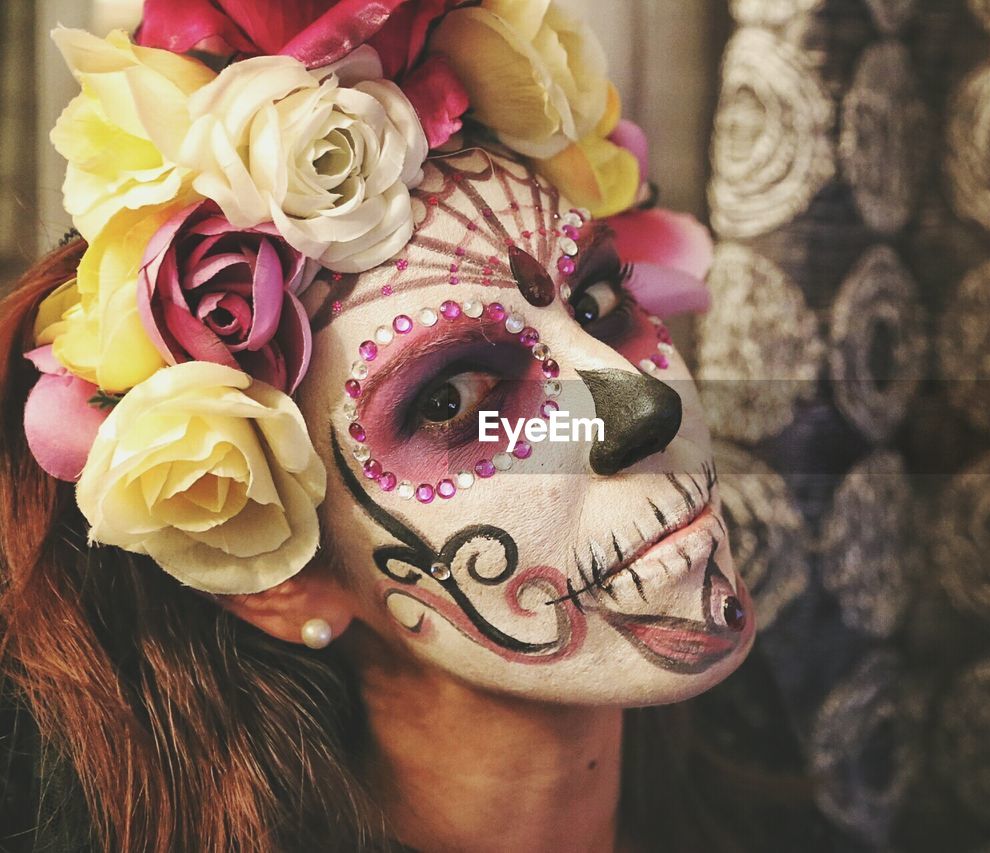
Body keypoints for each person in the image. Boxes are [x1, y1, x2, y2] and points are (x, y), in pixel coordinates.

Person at [0, 2, 833, 851]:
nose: (645, 406)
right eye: (453, 399)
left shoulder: (764, 785)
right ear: (270, 577)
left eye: (599, 304)